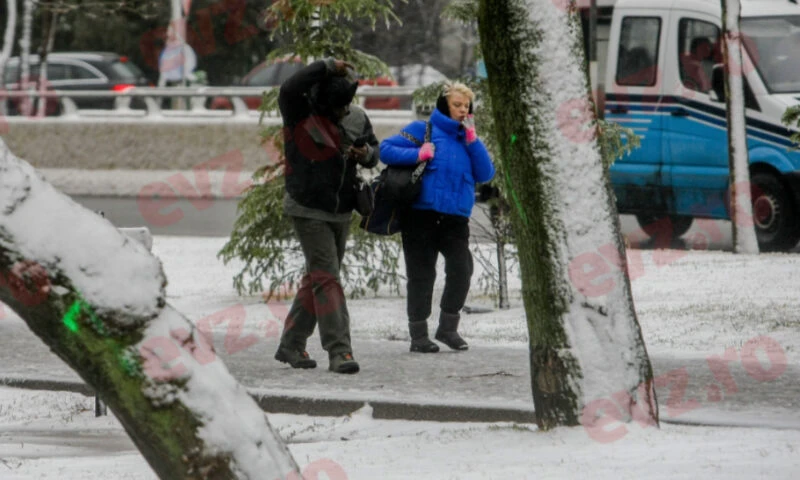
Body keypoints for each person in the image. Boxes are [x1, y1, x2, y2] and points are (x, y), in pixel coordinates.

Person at [274, 58, 379, 374]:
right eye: (338, 105)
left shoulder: (356, 116)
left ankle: (291, 344)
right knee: (327, 278)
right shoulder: (299, 113)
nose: (344, 111)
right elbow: (289, 87)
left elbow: (374, 150)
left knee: (318, 278)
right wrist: (326, 65)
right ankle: (340, 351)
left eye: (347, 103)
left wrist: (367, 155)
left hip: (341, 210)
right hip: (307, 208)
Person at [379, 82, 495, 353]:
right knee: (421, 275)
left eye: (466, 106)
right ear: (445, 106)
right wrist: (418, 154)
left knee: (461, 270)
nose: (462, 110)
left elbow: (486, 173)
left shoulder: (468, 139)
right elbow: (385, 149)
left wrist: (473, 140)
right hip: (421, 215)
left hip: (455, 219)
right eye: (457, 105)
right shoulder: (423, 130)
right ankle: (419, 335)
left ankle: (447, 329)